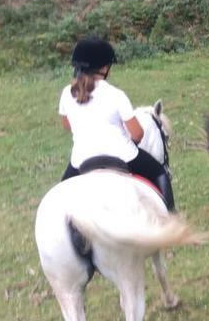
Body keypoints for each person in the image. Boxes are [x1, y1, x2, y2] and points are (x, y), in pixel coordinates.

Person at [59, 37, 176, 211]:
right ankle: (171, 217)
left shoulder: (67, 93)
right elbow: (137, 134)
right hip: (122, 156)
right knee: (159, 171)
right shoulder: (116, 95)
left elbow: (66, 125)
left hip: (81, 159)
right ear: (104, 68)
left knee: (62, 193)